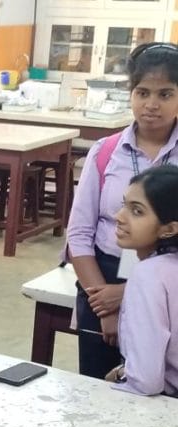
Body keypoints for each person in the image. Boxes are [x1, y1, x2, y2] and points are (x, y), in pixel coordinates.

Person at [67, 42, 178, 379]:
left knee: (158, 386)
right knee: (99, 387)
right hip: (101, 278)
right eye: (142, 92)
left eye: (165, 94)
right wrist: (103, 303)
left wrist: (130, 295)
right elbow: (79, 233)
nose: (152, 105)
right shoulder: (106, 152)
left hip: (170, 286)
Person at [105, 165, 178, 396]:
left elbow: (146, 381)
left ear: (169, 229)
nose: (119, 217)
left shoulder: (149, 275)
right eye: (123, 205)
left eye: (137, 211)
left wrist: (123, 375)